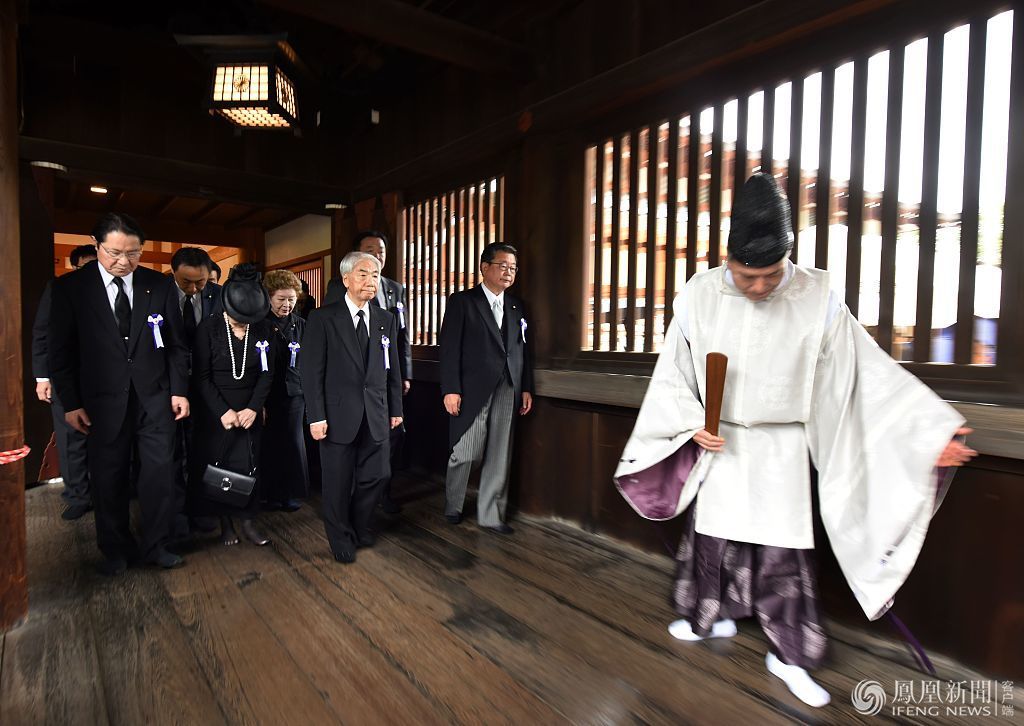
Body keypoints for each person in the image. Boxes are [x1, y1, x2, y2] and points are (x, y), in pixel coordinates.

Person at [614, 174, 977, 708]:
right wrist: (692, 421)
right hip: (721, 439)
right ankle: (709, 616)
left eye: (771, 275)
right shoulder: (698, 293)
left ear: (789, 258)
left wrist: (928, 432)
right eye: (745, 276)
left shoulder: (818, 297)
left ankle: (789, 655)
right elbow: (675, 370)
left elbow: (864, 375)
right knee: (715, 537)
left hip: (783, 445)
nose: (759, 287)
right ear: (727, 260)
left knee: (784, 550)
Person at [48, 213, 190, 574]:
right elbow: (60, 352)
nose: (124, 262)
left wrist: (179, 391)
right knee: (108, 477)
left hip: (155, 398)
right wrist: (71, 402)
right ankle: (114, 550)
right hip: (101, 402)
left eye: (133, 254)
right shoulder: (71, 288)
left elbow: (175, 345)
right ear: (96, 246)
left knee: (159, 475)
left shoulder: (157, 286)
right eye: (114, 253)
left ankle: (157, 544)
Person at [301, 252, 403, 564]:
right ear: (346, 279)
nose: (370, 281)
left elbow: (393, 369)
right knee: (337, 482)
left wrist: (395, 408)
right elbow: (311, 371)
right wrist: (316, 415)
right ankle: (340, 536)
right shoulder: (322, 318)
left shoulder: (386, 319)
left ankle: (358, 525)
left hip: (376, 412)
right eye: (363, 274)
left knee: (378, 474)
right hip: (336, 414)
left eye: (375, 275)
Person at [439, 242, 534, 534]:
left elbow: (523, 350)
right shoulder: (462, 301)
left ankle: (491, 514)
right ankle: (453, 504)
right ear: (485, 267)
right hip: (471, 387)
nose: (509, 272)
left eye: (514, 268)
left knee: (499, 451)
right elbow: (450, 348)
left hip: (508, 385)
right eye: (503, 266)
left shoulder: (517, 306)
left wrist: (526, 387)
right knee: (465, 451)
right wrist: (451, 388)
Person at [325, 230, 413, 513]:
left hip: (385, 377)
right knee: (355, 441)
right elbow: (333, 335)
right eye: (370, 249)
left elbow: (402, 336)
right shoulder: (338, 285)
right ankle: (354, 500)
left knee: (389, 435)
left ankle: (381, 494)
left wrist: (405, 373)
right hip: (351, 380)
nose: (377, 254)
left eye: (381, 250)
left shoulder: (395, 288)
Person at [189, 264, 276, 547]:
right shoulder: (208, 328)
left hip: (251, 408)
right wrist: (223, 411)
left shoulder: (263, 328)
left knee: (252, 463)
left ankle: (249, 521)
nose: (243, 324)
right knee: (220, 467)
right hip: (217, 410)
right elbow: (201, 377)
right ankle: (225, 524)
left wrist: (253, 407)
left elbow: (267, 373)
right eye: (238, 319)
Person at [32, 243, 97, 520]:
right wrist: (42, 377)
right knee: (71, 438)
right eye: (85, 266)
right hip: (65, 375)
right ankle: (78, 495)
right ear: (74, 266)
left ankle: (105, 490)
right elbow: (42, 334)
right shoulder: (59, 288)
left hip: (101, 377)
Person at [169, 246, 223, 537]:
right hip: (169, 387)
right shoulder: (159, 295)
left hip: (207, 385)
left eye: (200, 282)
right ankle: (177, 515)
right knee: (172, 453)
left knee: (205, 449)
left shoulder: (219, 295)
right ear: (173, 273)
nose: (193, 289)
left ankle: (203, 508)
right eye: (186, 282)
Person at [261, 269, 309, 512]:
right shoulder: (259, 324)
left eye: (291, 299)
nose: (287, 305)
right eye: (281, 299)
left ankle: (291, 492)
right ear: (269, 297)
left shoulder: (302, 325)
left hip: (294, 393)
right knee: (269, 442)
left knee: (292, 440)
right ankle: (269, 492)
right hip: (266, 394)